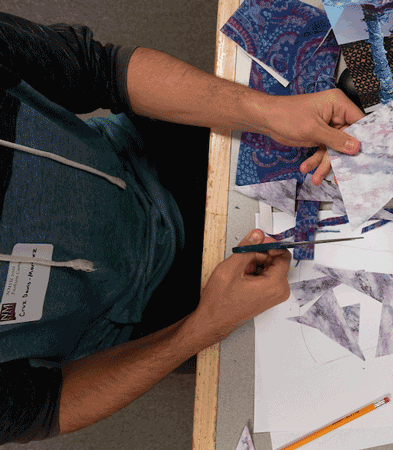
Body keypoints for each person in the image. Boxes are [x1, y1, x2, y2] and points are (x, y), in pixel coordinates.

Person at [0, 12, 361, 443]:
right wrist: (201, 328)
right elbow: (41, 407)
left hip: (148, 154)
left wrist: (267, 112)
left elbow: (99, 69)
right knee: (317, 373)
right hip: (150, 317)